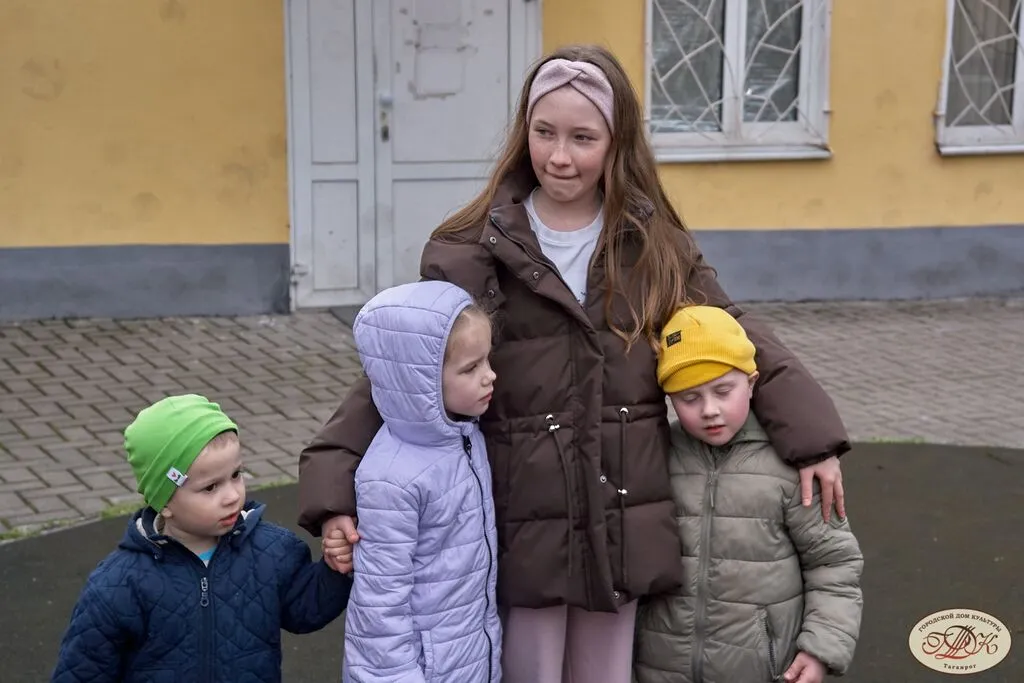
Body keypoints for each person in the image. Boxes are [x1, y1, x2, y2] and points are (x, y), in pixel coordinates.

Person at [302, 44, 851, 683]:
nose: (560, 156)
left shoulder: (653, 245)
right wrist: (334, 485)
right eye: (544, 132)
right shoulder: (474, 247)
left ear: (617, 143)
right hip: (520, 519)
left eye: (583, 138)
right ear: (524, 132)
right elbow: (408, 366)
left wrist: (811, 437)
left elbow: (734, 334)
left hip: (621, 518)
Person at [51, 394, 352, 683]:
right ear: (164, 502)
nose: (232, 495)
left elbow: (304, 610)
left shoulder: (271, 550)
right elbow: (83, 671)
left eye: (236, 475)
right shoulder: (119, 583)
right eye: (210, 487)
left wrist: (333, 569)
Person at [634, 306, 864, 683]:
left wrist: (821, 647)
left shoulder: (793, 466)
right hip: (662, 665)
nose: (710, 410)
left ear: (752, 382)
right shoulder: (658, 457)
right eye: (689, 398)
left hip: (762, 669)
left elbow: (833, 563)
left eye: (723, 391)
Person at [339, 280, 501, 682]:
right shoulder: (390, 478)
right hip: (423, 669)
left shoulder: (464, 438)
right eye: (471, 368)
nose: (490, 376)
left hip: (468, 654)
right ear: (420, 382)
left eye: (487, 360)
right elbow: (379, 607)